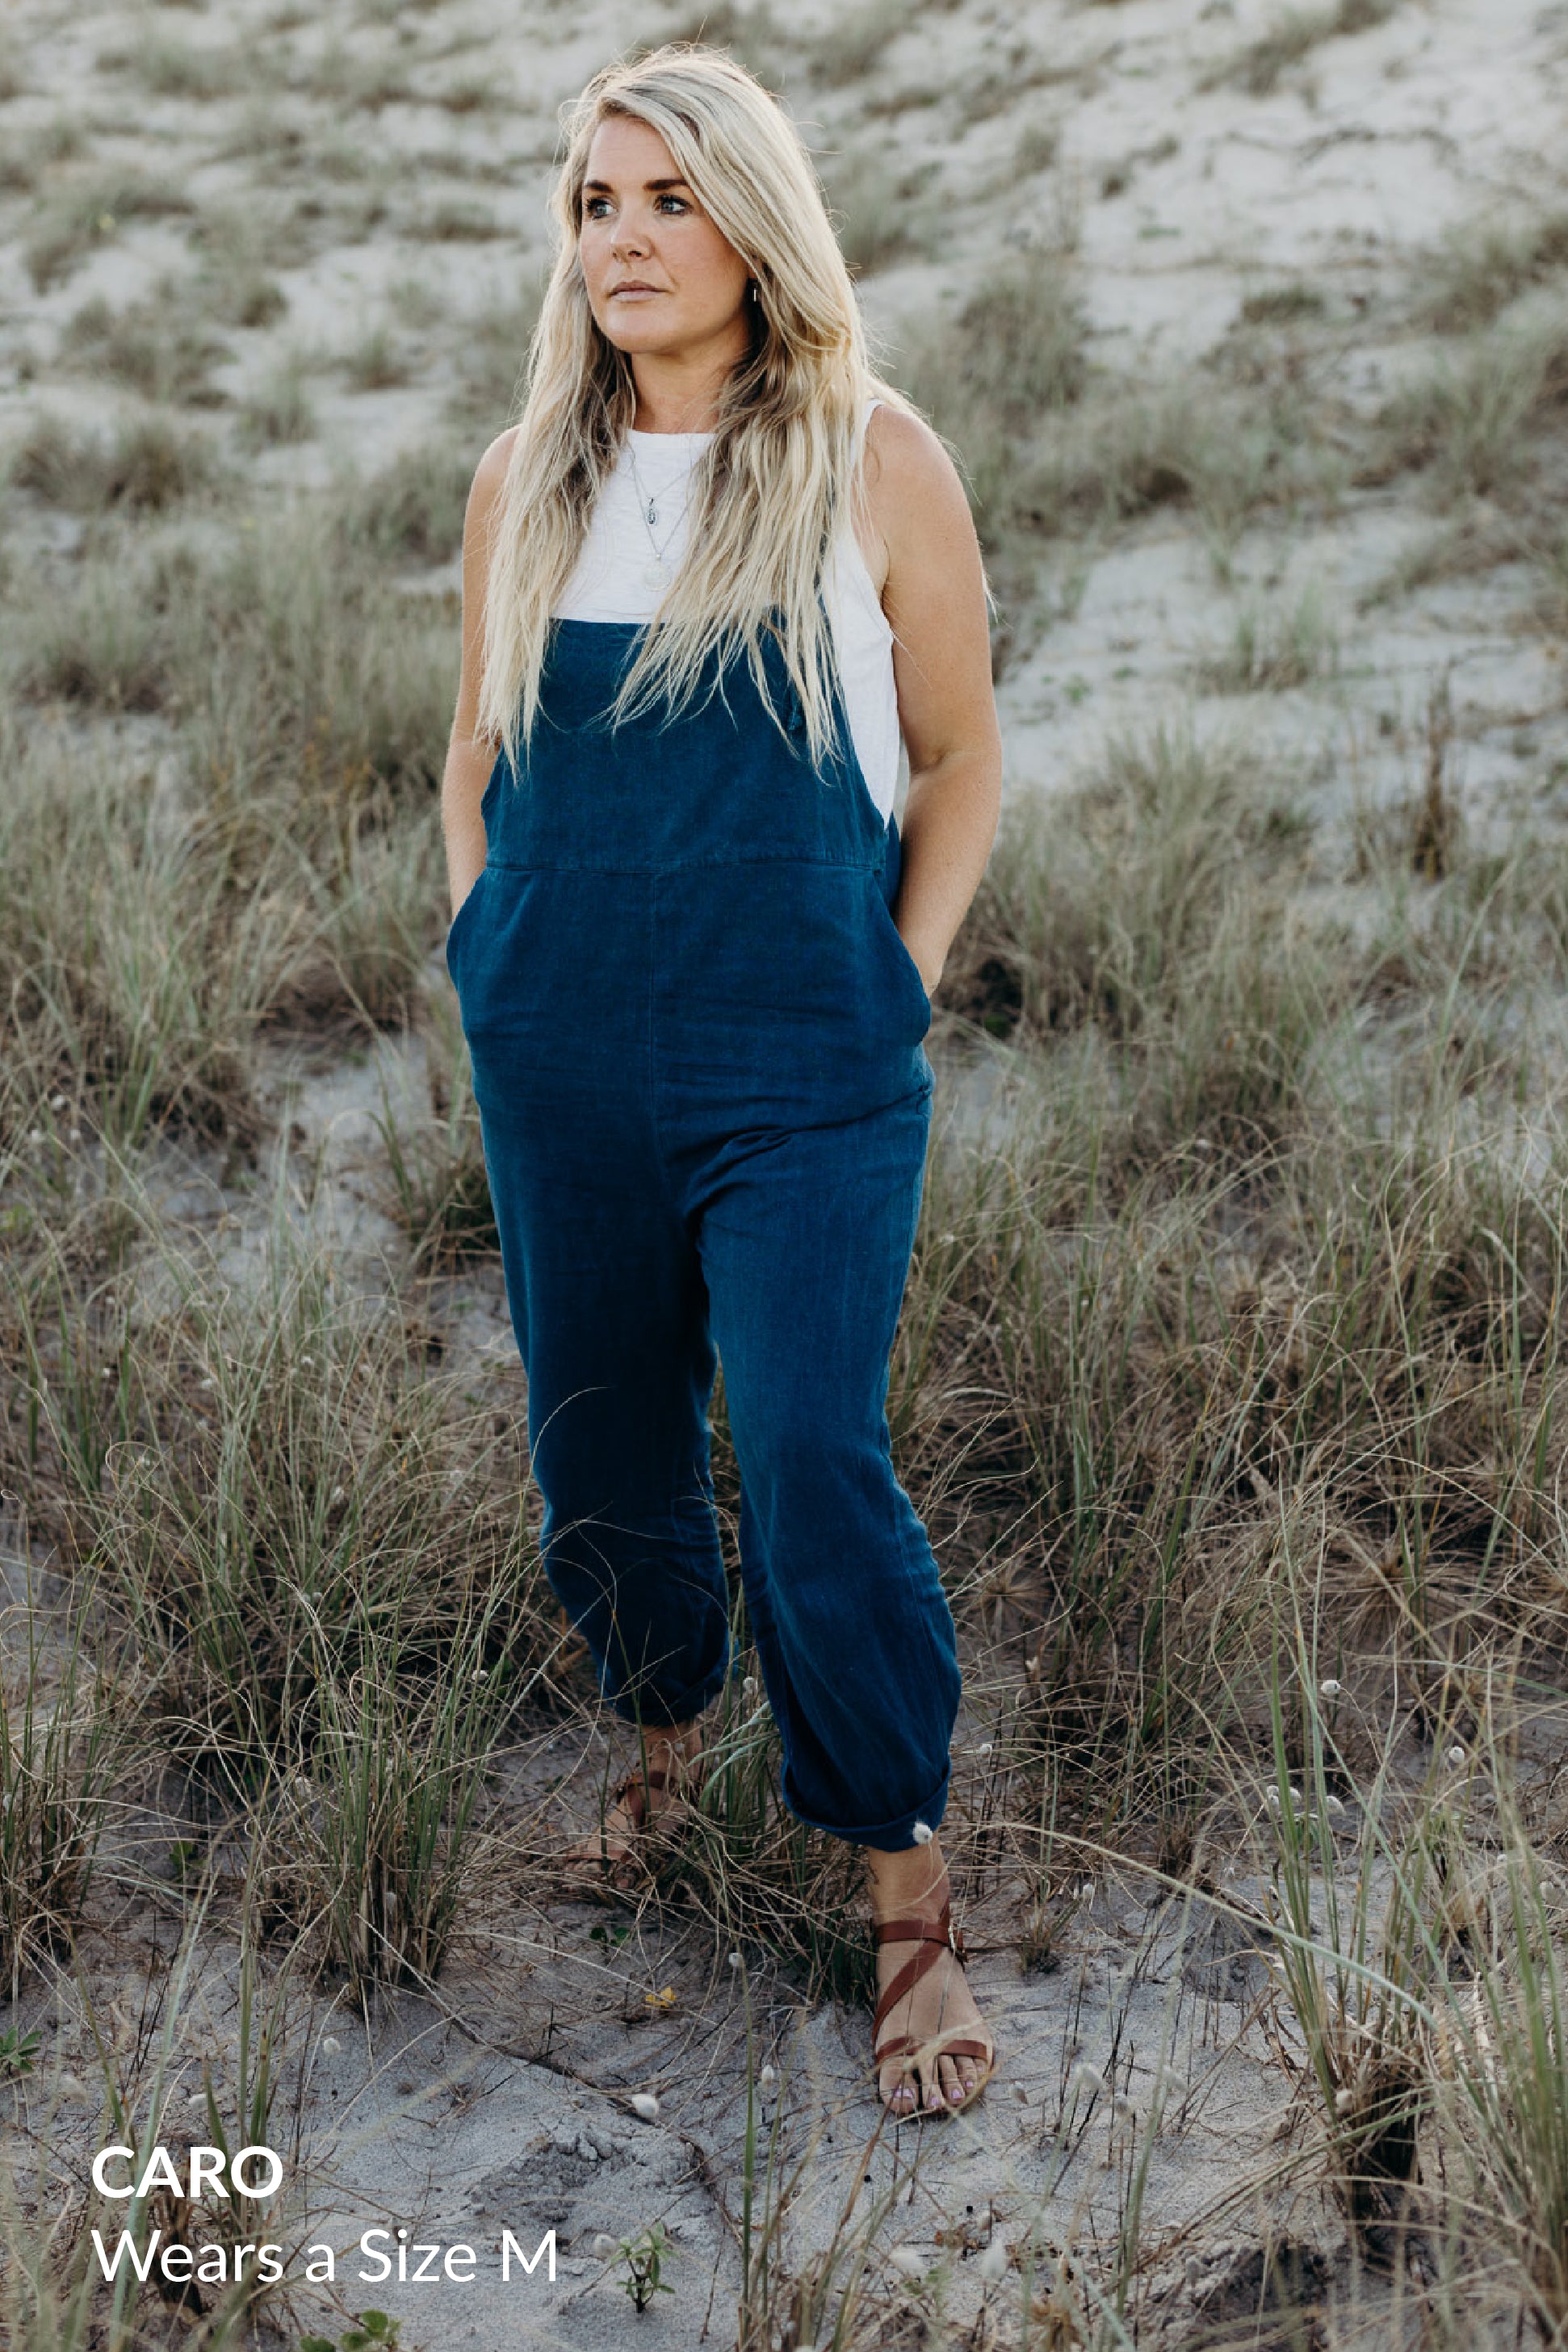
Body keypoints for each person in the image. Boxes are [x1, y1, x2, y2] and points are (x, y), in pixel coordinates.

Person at [439, 44, 1002, 2118]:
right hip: (561, 1048)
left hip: (804, 1064)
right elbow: (472, 758)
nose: (621, 240)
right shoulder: (526, 480)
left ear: (753, 225)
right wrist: (486, 949)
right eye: (593, 204)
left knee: (806, 1450)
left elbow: (955, 761)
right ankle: (666, 1731)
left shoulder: (870, 461)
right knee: (597, 1441)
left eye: (663, 199)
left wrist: (898, 979)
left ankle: (903, 1896)